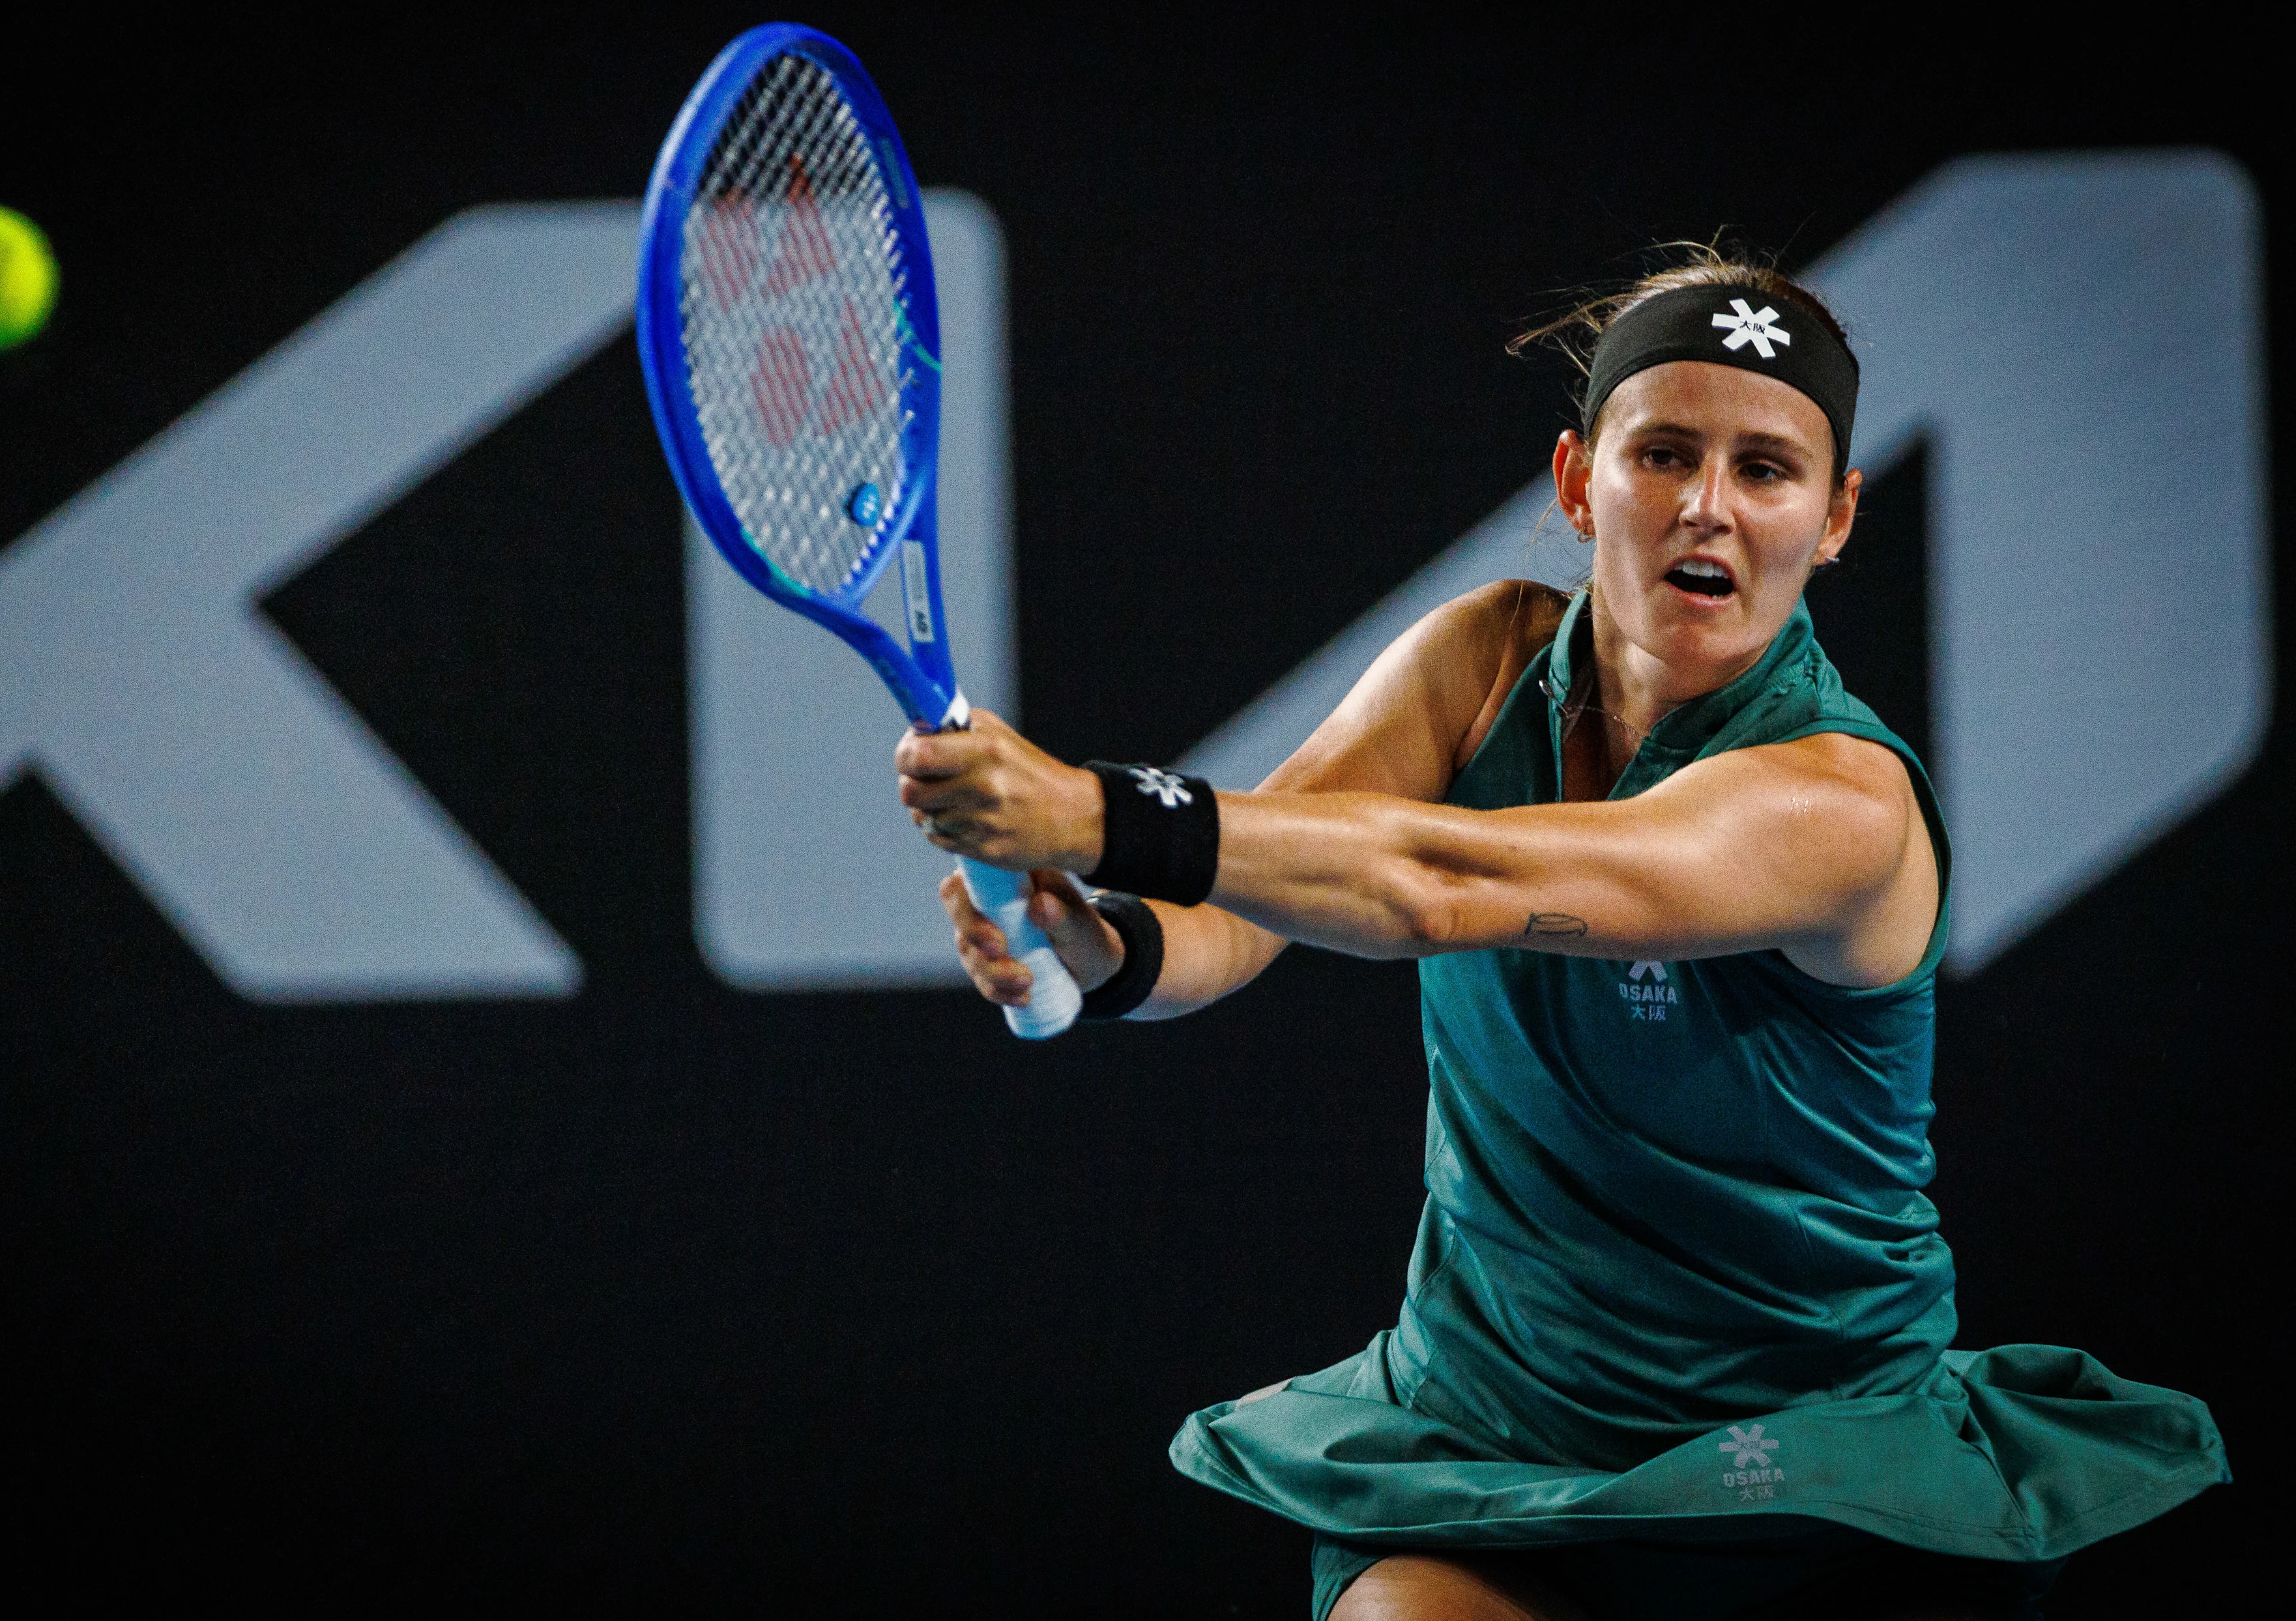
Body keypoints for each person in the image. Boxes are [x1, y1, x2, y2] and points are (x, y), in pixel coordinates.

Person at [894, 249, 2228, 1621]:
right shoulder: (1476, 664)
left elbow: (1432, 883)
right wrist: (1102, 947)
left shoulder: (1842, 804)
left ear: (1834, 518)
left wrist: (1094, 810)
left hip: (1814, 1492)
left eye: (1766, 470)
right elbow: (1235, 910)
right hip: (1487, 1451)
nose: (1708, 505)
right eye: (1664, 452)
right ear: (1580, 479)